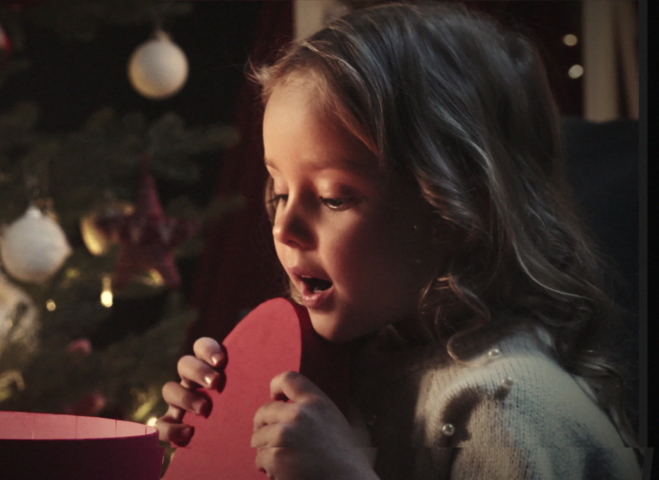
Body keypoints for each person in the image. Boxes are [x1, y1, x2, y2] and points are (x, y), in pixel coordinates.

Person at [156, 2, 643, 479]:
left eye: (333, 198)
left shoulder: (516, 414)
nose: (283, 227)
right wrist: (222, 427)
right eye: (280, 192)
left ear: (455, 210)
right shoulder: (353, 358)